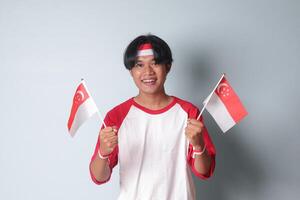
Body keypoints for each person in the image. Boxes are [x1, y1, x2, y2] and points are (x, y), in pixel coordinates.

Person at [89, 34, 216, 200]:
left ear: (168, 66)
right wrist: (103, 153)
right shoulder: (117, 116)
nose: (148, 72)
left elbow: (205, 171)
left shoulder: (189, 113)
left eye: (155, 63)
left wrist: (199, 146)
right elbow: (99, 177)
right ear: (131, 71)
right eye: (139, 65)